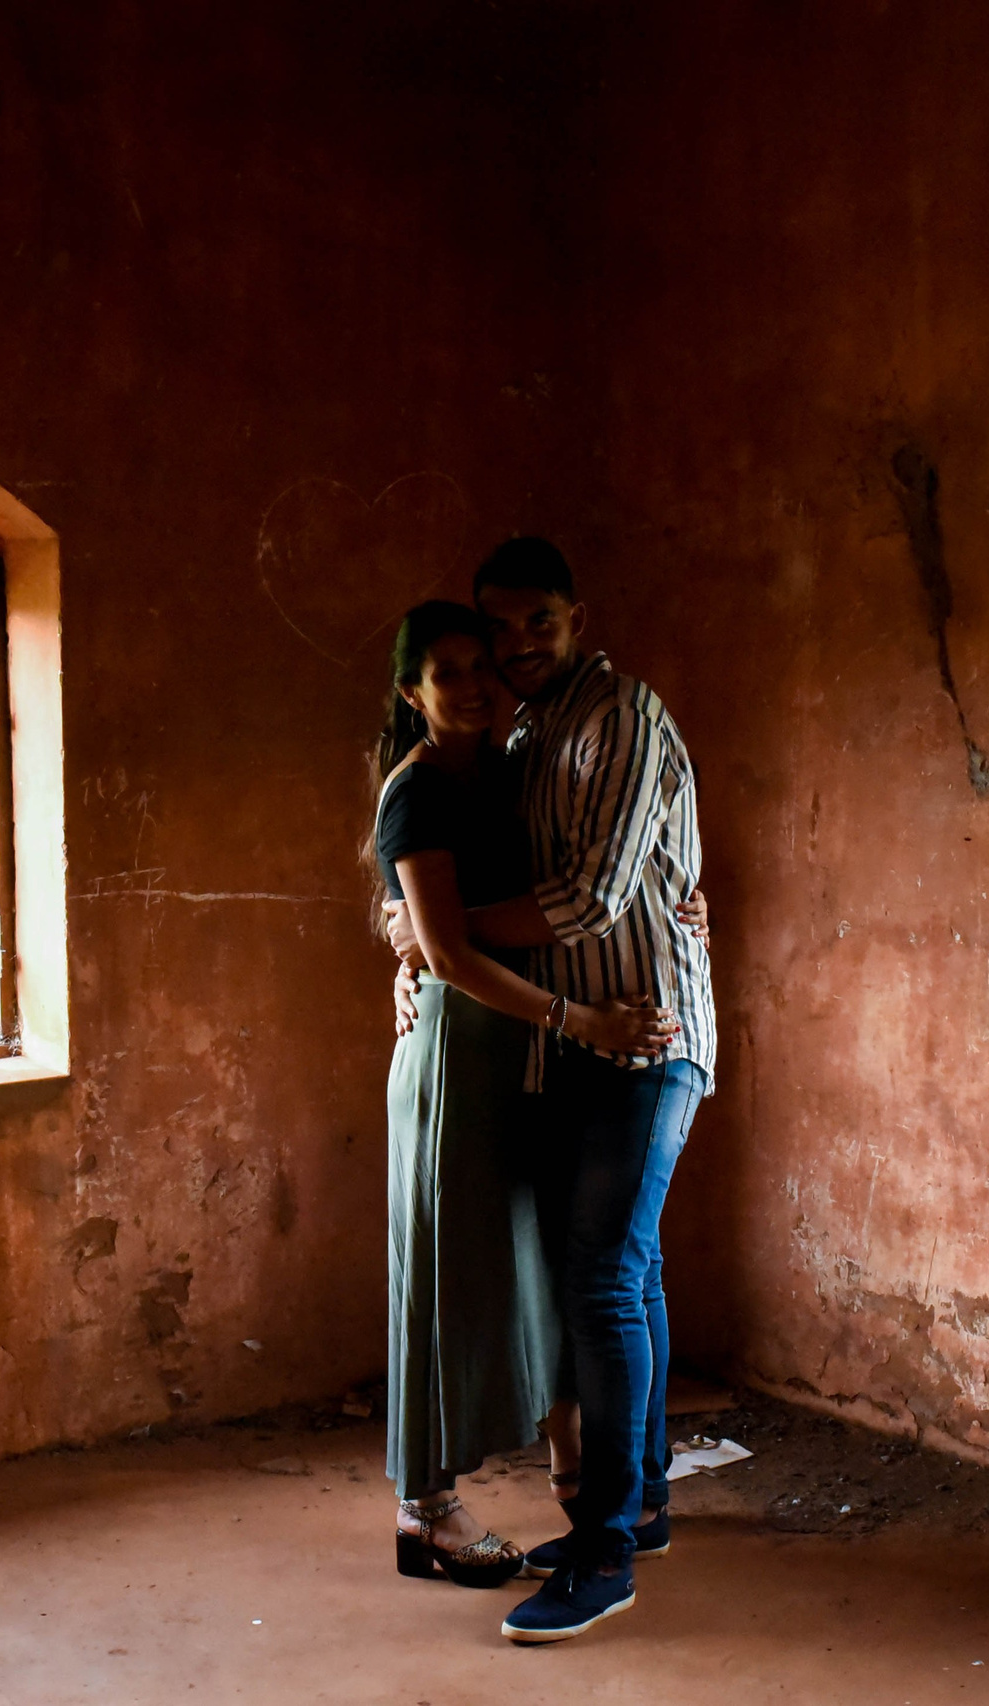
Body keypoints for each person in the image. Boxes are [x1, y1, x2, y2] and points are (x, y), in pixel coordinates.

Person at [387, 539, 717, 1645]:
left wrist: (434, 936)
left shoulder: (618, 716)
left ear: (579, 616)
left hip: (644, 1039)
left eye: (539, 621)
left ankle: (604, 1550)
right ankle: (644, 1505)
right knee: (629, 1272)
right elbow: (447, 868)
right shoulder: (523, 735)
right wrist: (414, 934)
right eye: (499, 629)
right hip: (572, 1045)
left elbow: (586, 897)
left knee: (603, 1283)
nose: (517, 646)